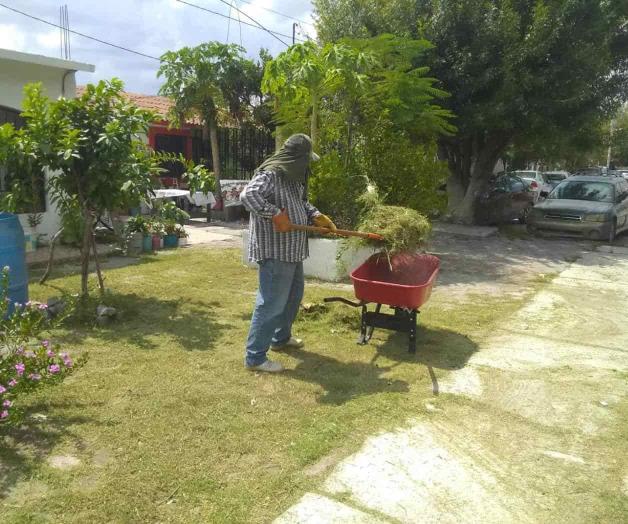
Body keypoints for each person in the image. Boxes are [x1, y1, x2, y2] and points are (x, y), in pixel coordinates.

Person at [240, 134, 336, 373]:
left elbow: (301, 202)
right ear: (297, 158)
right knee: (271, 303)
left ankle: (280, 339)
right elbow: (248, 195)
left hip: (293, 249)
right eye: (306, 159)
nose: (308, 165)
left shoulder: (293, 177)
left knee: (293, 297)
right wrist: (273, 213)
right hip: (275, 250)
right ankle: (255, 358)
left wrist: (315, 214)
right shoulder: (271, 174)